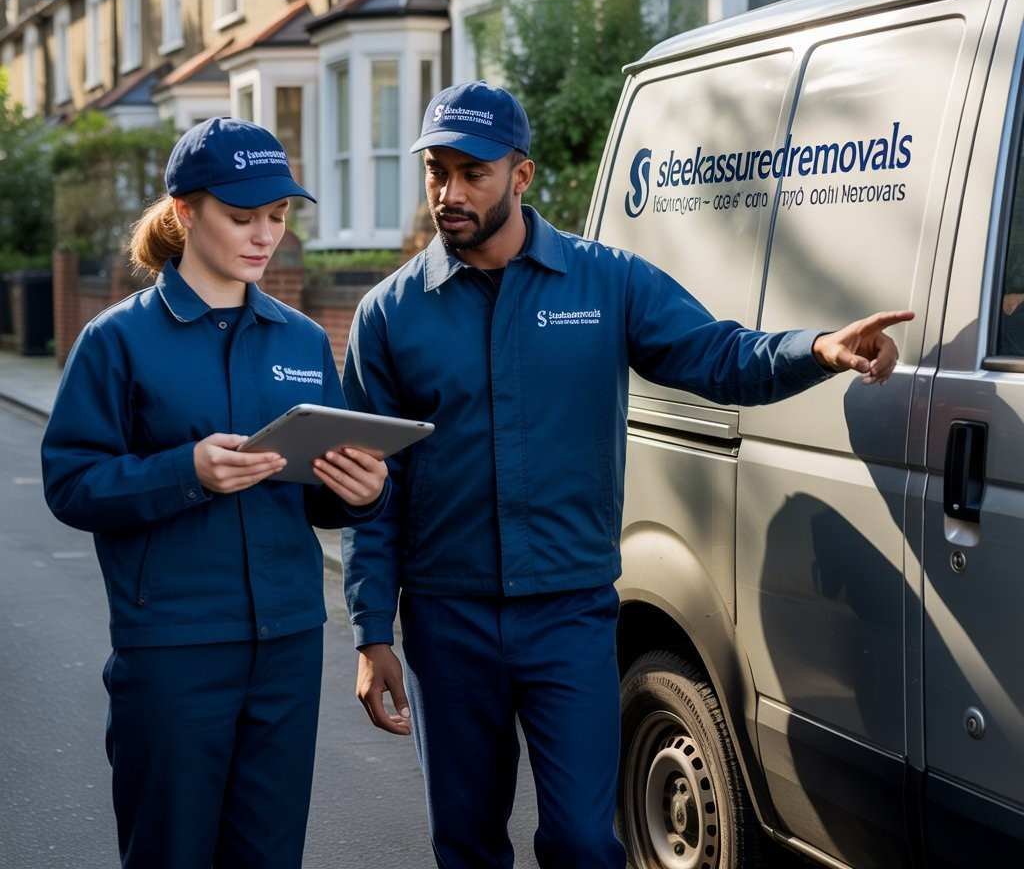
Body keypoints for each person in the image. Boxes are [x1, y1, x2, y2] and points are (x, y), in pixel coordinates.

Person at [339, 81, 913, 868]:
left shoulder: (603, 282)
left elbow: (718, 354)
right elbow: (375, 491)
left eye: (473, 173)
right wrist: (374, 632)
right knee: (466, 844)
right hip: (448, 620)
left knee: (580, 838)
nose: (449, 193)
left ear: (522, 175)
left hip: (570, 616)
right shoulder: (389, 314)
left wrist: (814, 350)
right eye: (437, 172)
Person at [40, 117, 390, 869]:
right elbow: (70, 484)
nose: (264, 235)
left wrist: (359, 494)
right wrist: (185, 473)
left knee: (269, 855)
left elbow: (316, 495)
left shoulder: (300, 340)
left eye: (277, 215)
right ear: (183, 212)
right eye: (242, 217)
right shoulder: (116, 340)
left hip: (289, 646)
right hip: (172, 649)